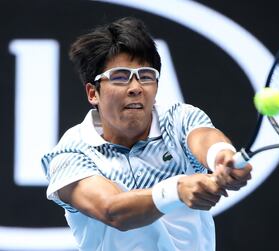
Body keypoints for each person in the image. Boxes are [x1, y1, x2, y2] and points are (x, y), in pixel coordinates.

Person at [41, 17, 252, 251]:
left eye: (146, 76)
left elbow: (205, 139)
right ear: (93, 93)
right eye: (120, 77)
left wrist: (222, 157)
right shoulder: (70, 153)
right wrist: (177, 190)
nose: (135, 88)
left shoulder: (179, 120)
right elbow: (112, 210)